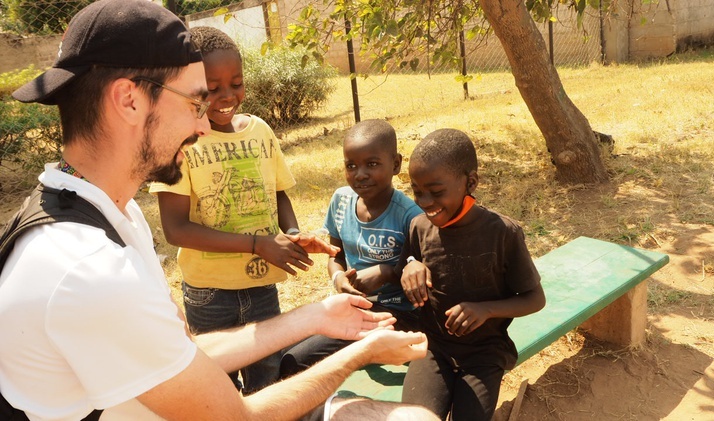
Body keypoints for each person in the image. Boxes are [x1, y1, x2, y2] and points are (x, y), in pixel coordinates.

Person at [0, 1, 434, 420]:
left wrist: (316, 315)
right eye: (194, 103)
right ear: (129, 100)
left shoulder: (103, 211)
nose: (204, 124)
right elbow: (237, 416)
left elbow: (181, 355)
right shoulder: (88, 270)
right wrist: (361, 353)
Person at [148, 25, 320, 394]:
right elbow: (176, 229)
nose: (226, 96)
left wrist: (291, 235)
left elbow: (278, 194)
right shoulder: (181, 142)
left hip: (262, 285)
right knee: (217, 385)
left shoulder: (259, 131)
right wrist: (258, 243)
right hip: (210, 293)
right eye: (212, 89)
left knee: (268, 380)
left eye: (236, 83)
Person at [399, 128, 546, 420]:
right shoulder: (418, 227)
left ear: (470, 182)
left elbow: (535, 299)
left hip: (484, 353)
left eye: (437, 191)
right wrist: (409, 265)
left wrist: (486, 310)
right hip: (434, 348)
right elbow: (403, 268)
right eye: (417, 191)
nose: (425, 201)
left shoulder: (503, 233)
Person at [280, 119, 423, 377]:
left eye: (372, 164)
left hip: (396, 314)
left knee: (296, 361)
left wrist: (387, 273)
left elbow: (421, 274)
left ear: (396, 164)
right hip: (351, 305)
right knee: (284, 349)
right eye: (351, 165)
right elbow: (336, 254)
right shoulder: (341, 200)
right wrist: (338, 278)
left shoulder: (410, 216)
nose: (360, 174)